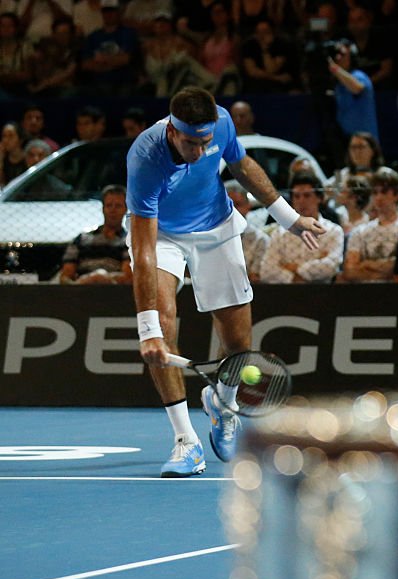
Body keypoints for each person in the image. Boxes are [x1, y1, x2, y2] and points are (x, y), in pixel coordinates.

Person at [127, 86, 325, 477]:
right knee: (164, 327)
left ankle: (222, 402)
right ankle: (186, 442)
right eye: (190, 143)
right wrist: (147, 329)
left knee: (238, 341)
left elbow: (242, 165)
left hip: (216, 225)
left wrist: (289, 218)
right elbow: (145, 250)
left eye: (205, 142)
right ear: (171, 132)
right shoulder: (145, 158)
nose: (199, 152)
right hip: (161, 235)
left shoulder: (221, 122)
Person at [259, 173, 345, 283]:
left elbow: (331, 267)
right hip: (286, 293)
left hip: (323, 292)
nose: (301, 201)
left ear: (319, 198)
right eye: (297, 196)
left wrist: (295, 268)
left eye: (307, 195)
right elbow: (266, 271)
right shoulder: (279, 233)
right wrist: (294, 278)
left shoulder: (333, 231)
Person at [338, 169, 398, 283]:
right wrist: (387, 268)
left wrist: (367, 264)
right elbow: (350, 271)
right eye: (375, 192)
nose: (379, 197)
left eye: (384, 192)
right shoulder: (359, 231)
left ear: (397, 195)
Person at [59, 184, 132, 284]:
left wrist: (100, 277)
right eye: (109, 205)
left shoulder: (128, 241)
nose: (113, 210)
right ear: (103, 208)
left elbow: (128, 277)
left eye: (118, 206)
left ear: (125, 210)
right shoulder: (82, 239)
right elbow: (66, 275)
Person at [327, 38, 379, 143]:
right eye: (336, 54)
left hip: (365, 140)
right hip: (346, 139)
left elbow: (357, 88)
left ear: (352, 56)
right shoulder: (338, 83)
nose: (338, 58)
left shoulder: (359, 75)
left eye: (342, 54)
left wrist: (334, 68)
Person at [225, 179, 269, 283]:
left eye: (237, 205)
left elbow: (255, 278)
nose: (232, 211)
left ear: (247, 206)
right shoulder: (208, 237)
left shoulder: (260, 240)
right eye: (227, 205)